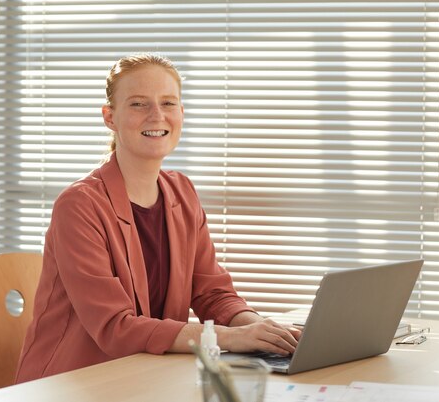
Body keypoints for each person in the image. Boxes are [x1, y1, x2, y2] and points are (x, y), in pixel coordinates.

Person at [15, 53, 300, 383]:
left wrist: (261, 329)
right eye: (138, 104)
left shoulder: (182, 192)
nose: (157, 115)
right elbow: (114, 328)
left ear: (181, 113)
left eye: (168, 103)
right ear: (110, 117)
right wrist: (231, 338)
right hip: (73, 384)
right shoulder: (79, 205)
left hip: (146, 374)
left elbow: (211, 293)